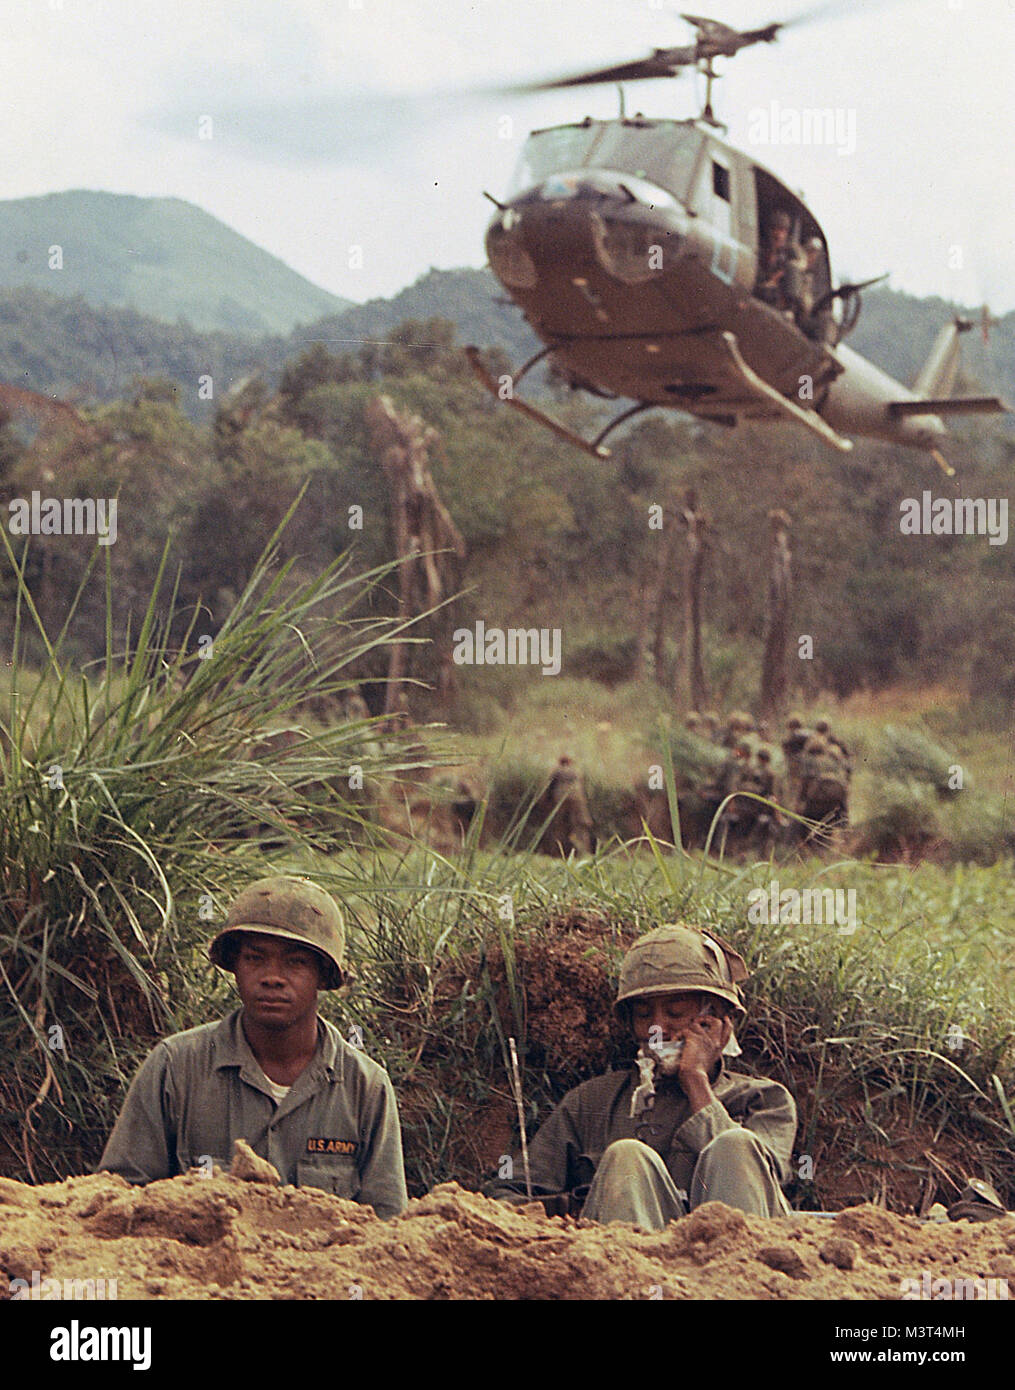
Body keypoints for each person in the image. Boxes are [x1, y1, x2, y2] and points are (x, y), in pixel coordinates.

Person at [98, 876, 408, 1218]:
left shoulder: (366, 1088)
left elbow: (388, 1229)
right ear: (234, 967)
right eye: (255, 958)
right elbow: (117, 1200)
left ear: (323, 975)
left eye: (296, 962)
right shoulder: (175, 1067)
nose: (272, 977)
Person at [485, 925, 797, 1230]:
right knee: (626, 1156)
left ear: (718, 1022)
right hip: (632, 1271)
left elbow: (764, 1188)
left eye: (675, 1013)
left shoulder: (766, 1101)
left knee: (735, 1144)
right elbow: (508, 1194)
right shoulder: (592, 1102)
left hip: (738, 1272)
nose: (656, 1028)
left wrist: (696, 1081)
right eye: (644, 1015)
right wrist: (576, 1207)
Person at [757, 210, 805, 314]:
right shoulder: (763, 249)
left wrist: (782, 272)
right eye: (775, 229)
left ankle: (790, 310)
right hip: (765, 287)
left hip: (780, 290)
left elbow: (801, 263)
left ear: (786, 233)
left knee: (793, 268)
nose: (778, 234)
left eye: (782, 230)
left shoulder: (790, 250)